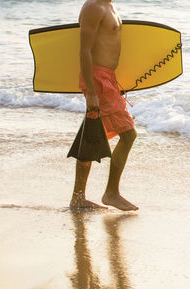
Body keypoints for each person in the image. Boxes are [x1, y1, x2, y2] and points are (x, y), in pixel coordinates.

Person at [70, 0, 138, 211]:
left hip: (108, 78)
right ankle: (111, 193)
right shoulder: (94, 7)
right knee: (128, 134)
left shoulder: (109, 6)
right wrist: (91, 91)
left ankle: (78, 198)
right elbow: (85, 51)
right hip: (98, 80)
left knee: (92, 134)